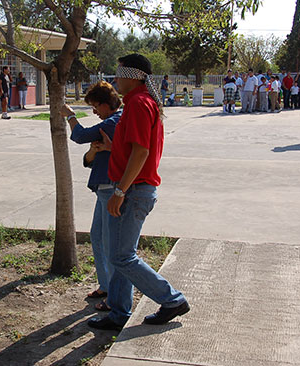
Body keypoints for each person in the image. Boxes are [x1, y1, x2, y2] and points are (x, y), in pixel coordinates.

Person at [87, 54, 189, 331]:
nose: (115, 79)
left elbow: (142, 151)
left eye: (118, 73)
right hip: (132, 188)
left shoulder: (139, 104)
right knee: (120, 254)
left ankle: (172, 300)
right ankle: (119, 314)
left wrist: (120, 191)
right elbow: (134, 148)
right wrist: (112, 149)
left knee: (121, 256)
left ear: (133, 75)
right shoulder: (137, 102)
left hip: (133, 190)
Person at [61, 81, 122, 313]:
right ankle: (106, 285)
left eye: (96, 106)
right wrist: (96, 151)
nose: (94, 112)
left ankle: (114, 295)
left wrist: (70, 116)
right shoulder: (111, 122)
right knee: (97, 237)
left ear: (106, 105)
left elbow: (79, 135)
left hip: (110, 189)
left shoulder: (113, 122)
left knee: (110, 243)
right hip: (103, 188)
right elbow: (88, 159)